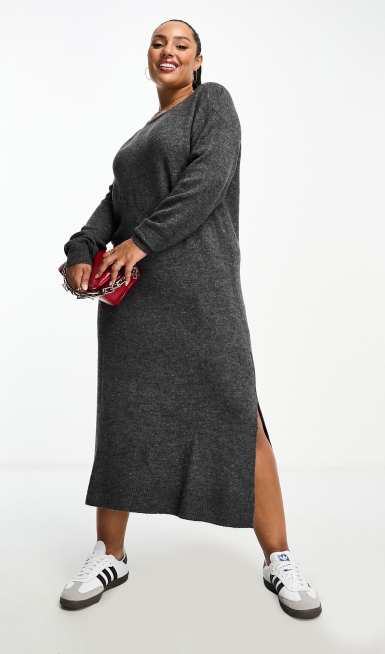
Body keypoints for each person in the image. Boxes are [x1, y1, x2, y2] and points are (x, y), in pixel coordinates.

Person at [59, 19, 322, 619]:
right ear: (147, 57)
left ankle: (279, 558)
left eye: (181, 44)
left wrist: (139, 243)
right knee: (123, 421)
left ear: (198, 59)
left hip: (202, 294)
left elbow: (207, 182)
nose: (168, 50)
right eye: (158, 42)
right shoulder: (139, 140)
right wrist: (81, 251)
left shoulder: (212, 105)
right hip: (135, 306)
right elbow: (113, 206)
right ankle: (110, 553)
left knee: (237, 413)